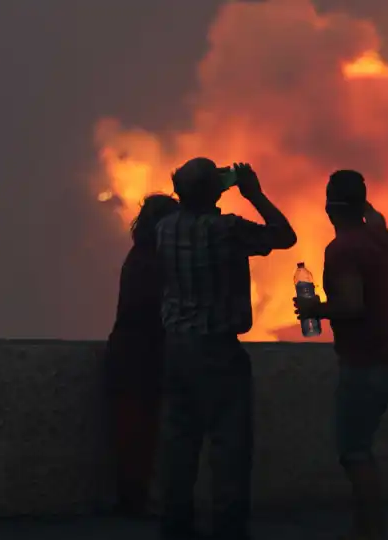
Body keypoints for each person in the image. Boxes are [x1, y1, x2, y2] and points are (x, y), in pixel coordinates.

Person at [156, 158, 297, 540]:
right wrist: (254, 193)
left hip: (175, 348)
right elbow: (284, 236)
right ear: (212, 190)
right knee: (229, 445)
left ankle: (175, 525)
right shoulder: (225, 229)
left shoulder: (164, 229)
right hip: (217, 349)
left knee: (179, 444)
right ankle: (228, 530)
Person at [293, 170, 388, 540]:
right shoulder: (377, 238)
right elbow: (377, 217)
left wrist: (314, 310)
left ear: (330, 207)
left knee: (354, 452)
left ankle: (371, 531)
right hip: (385, 355)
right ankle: (366, 529)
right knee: (360, 448)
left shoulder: (342, 249)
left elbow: (352, 305)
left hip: (364, 360)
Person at [103, 193, 180, 517]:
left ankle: (132, 497)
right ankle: (134, 500)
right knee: (139, 431)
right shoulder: (153, 261)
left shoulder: (140, 256)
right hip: (140, 356)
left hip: (130, 355)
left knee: (134, 431)